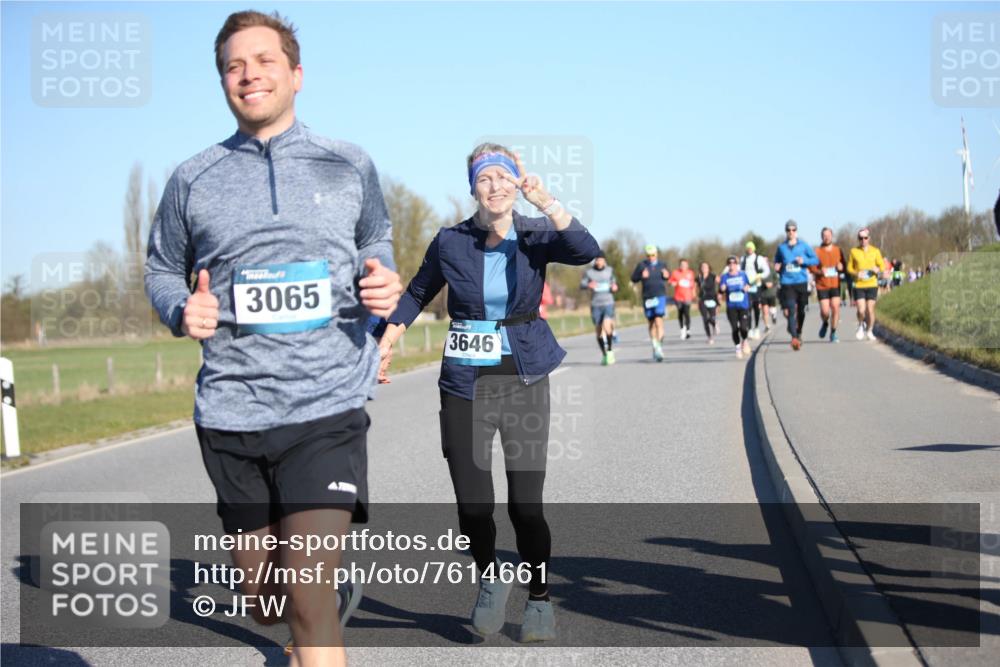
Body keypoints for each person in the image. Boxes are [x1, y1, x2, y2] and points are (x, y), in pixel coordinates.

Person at [144, 11, 402, 664]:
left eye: (264, 60)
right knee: (264, 598)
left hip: (326, 407)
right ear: (223, 81)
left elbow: (376, 236)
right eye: (234, 65)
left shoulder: (348, 163)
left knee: (307, 597)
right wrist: (181, 308)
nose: (249, 73)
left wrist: (383, 280)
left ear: (296, 74)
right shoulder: (191, 179)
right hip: (233, 410)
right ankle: (311, 606)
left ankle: (318, 614)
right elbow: (158, 268)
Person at [378, 144, 599, 642]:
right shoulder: (450, 241)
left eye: (504, 177)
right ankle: (491, 576)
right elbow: (416, 292)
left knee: (526, 506)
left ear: (515, 183)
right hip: (464, 383)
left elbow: (586, 250)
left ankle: (540, 597)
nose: (496, 186)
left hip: (524, 379)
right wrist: (387, 341)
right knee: (473, 506)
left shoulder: (535, 233)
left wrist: (545, 199)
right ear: (472, 187)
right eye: (485, 178)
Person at [773, 220, 818, 351]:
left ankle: (798, 331)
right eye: (788, 230)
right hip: (787, 283)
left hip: (801, 282)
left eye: (793, 230)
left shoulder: (803, 246)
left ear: (796, 231)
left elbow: (815, 259)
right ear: (786, 232)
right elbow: (776, 261)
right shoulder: (781, 248)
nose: (791, 232)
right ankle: (794, 338)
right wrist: (777, 266)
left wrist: (804, 261)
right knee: (791, 311)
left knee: (801, 311)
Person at [847, 227, 886, 341]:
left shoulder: (875, 251)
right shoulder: (854, 251)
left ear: (869, 238)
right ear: (858, 239)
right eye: (860, 238)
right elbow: (849, 267)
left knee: (870, 309)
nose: (863, 240)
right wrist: (856, 273)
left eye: (865, 238)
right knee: (860, 310)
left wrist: (877, 269)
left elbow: (882, 265)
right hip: (859, 284)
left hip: (872, 284)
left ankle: (869, 330)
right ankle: (860, 325)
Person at [631, 245, 670, 361]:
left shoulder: (662, 265)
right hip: (647, 297)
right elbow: (633, 278)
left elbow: (669, 276)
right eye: (648, 255)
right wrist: (641, 276)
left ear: (656, 254)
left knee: (659, 321)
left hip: (660, 296)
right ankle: (654, 345)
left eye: (653, 255)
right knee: (651, 323)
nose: (651, 257)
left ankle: (659, 348)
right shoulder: (641, 265)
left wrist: (667, 276)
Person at [581, 251, 618, 364]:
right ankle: (604, 354)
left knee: (607, 325)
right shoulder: (589, 272)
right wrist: (588, 285)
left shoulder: (609, 271)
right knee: (598, 331)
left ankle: (610, 350)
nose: (598, 261)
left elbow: (614, 283)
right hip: (596, 304)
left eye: (600, 259)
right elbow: (582, 285)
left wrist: (615, 287)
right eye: (597, 259)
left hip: (608, 302)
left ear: (604, 260)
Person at [810, 227, 846, 343]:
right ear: (822, 237)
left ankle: (833, 332)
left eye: (828, 235)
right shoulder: (817, 251)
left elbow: (844, 266)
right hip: (822, 285)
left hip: (835, 284)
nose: (827, 237)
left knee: (835, 308)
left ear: (832, 236)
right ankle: (825, 322)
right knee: (825, 311)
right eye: (824, 235)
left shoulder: (838, 250)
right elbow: (811, 267)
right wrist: (820, 272)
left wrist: (841, 268)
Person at [719, 255, 752, 359]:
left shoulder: (742, 274)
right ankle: (738, 347)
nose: (732, 265)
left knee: (743, 327)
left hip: (743, 305)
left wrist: (746, 287)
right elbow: (721, 289)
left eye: (734, 263)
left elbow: (748, 284)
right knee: (734, 328)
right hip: (731, 306)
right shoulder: (725, 277)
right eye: (730, 263)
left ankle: (745, 341)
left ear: (737, 265)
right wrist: (722, 288)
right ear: (728, 265)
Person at [740, 241, 771, 339]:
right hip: (746, 287)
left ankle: (756, 328)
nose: (749, 249)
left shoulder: (759, 259)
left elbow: (767, 271)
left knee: (756, 308)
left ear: (753, 249)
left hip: (756, 286)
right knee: (747, 308)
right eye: (747, 248)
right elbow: (740, 271)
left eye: (751, 248)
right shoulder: (743, 259)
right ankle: (749, 329)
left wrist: (759, 276)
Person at [668, 258, 696, 340]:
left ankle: (688, 330)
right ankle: (682, 329)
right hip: (678, 297)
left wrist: (694, 294)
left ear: (687, 265)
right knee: (680, 313)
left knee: (687, 313)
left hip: (688, 296)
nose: (683, 266)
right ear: (679, 265)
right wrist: (673, 283)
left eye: (685, 264)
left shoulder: (690, 273)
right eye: (682, 265)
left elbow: (693, 284)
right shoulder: (675, 273)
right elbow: (670, 282)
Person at [695, 261, 719, 344]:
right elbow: (694, 287)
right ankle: (709, 337)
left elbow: (722, 283)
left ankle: (714, 324)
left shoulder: (713, 276)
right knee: (705, 319)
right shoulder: (698, 277)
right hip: (702, 299)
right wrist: (695, 296)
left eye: (705, 267)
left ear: (709, 268)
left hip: (712, 298)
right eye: (702, 267)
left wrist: (720, 293)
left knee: (712, 318)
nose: (704, 268)